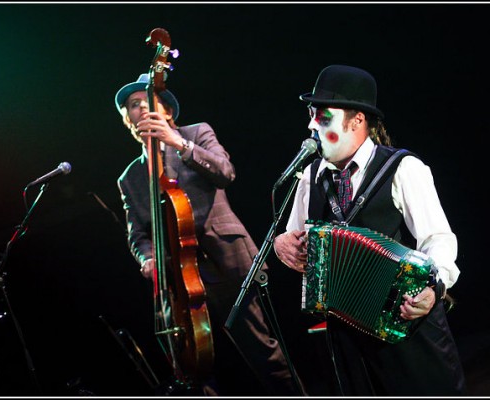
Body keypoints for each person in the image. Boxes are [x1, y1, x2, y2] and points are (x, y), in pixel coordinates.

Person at [273, 64, 466, 396]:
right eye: (311, 114)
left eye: (323, 116)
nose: (311, 125)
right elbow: (294, 239)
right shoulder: (310, 177)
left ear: (356, 121)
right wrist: (281, 246)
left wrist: (434, 287)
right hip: (345, 339)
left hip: (406, 328)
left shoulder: (404, 168)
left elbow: (439, 240)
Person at [114, 73, 303, 396]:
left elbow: (225, 172)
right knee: (192, 365)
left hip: (226, 257)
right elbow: (138, 234)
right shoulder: (129, 178)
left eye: (149, 102)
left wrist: (178, 144)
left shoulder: (197, 132)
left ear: (168, 112)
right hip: (178, 276)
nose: (142, 109)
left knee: (261, 349)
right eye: (134, 105)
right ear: (128, 121)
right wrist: (147, 258)